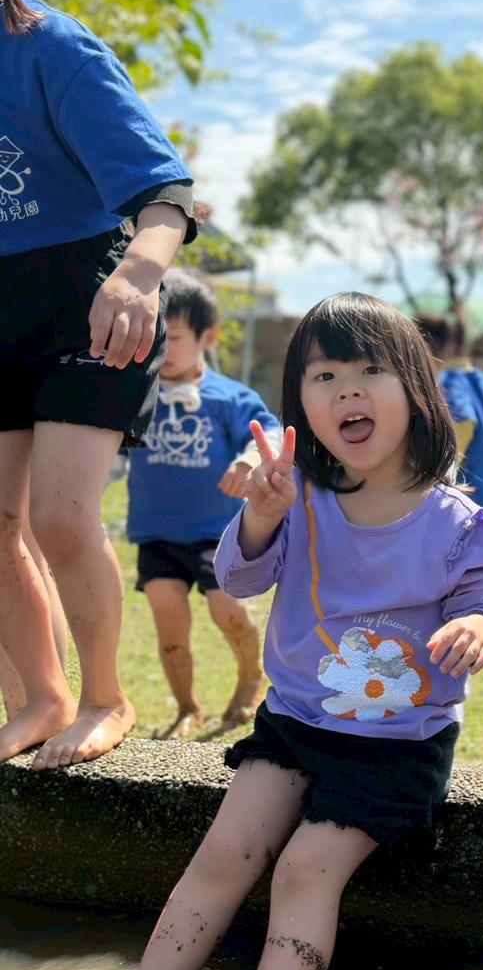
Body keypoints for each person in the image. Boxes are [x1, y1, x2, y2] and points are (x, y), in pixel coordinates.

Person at [116, 293, 483, 970]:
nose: (349, 391)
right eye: (326, 375)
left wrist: (480, 629)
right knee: (226, 849)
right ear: (302, 401)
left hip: (397, 747)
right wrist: (262, 515)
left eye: (371, 370)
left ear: (416, 391)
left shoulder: (460, 521)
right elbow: (238, 573)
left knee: (304, 868)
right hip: (296, 721)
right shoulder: (299, 498)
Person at [0, 0, 196, 769]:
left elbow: (167, 194)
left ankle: (107, 696)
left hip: (90, 291)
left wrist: (139, 277)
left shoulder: (51, 47)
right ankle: (43, 697)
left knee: (58, 512)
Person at [126, 269, 282, 737]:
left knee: (228, 610)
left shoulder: (230, 397)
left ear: (207, 336)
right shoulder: (135, 394)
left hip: (218, 534)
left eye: (171, 337)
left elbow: (268, 430)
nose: (161, 348)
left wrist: (248, 459)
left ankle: (251, 680)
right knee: (168, 621)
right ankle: (186, 707)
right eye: (153, 336)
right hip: (156, 534)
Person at [414, 311, 483, 519]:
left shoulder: (448, 383)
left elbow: (465, 422)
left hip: (467, 500)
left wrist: (442, 472)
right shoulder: (481, 380)